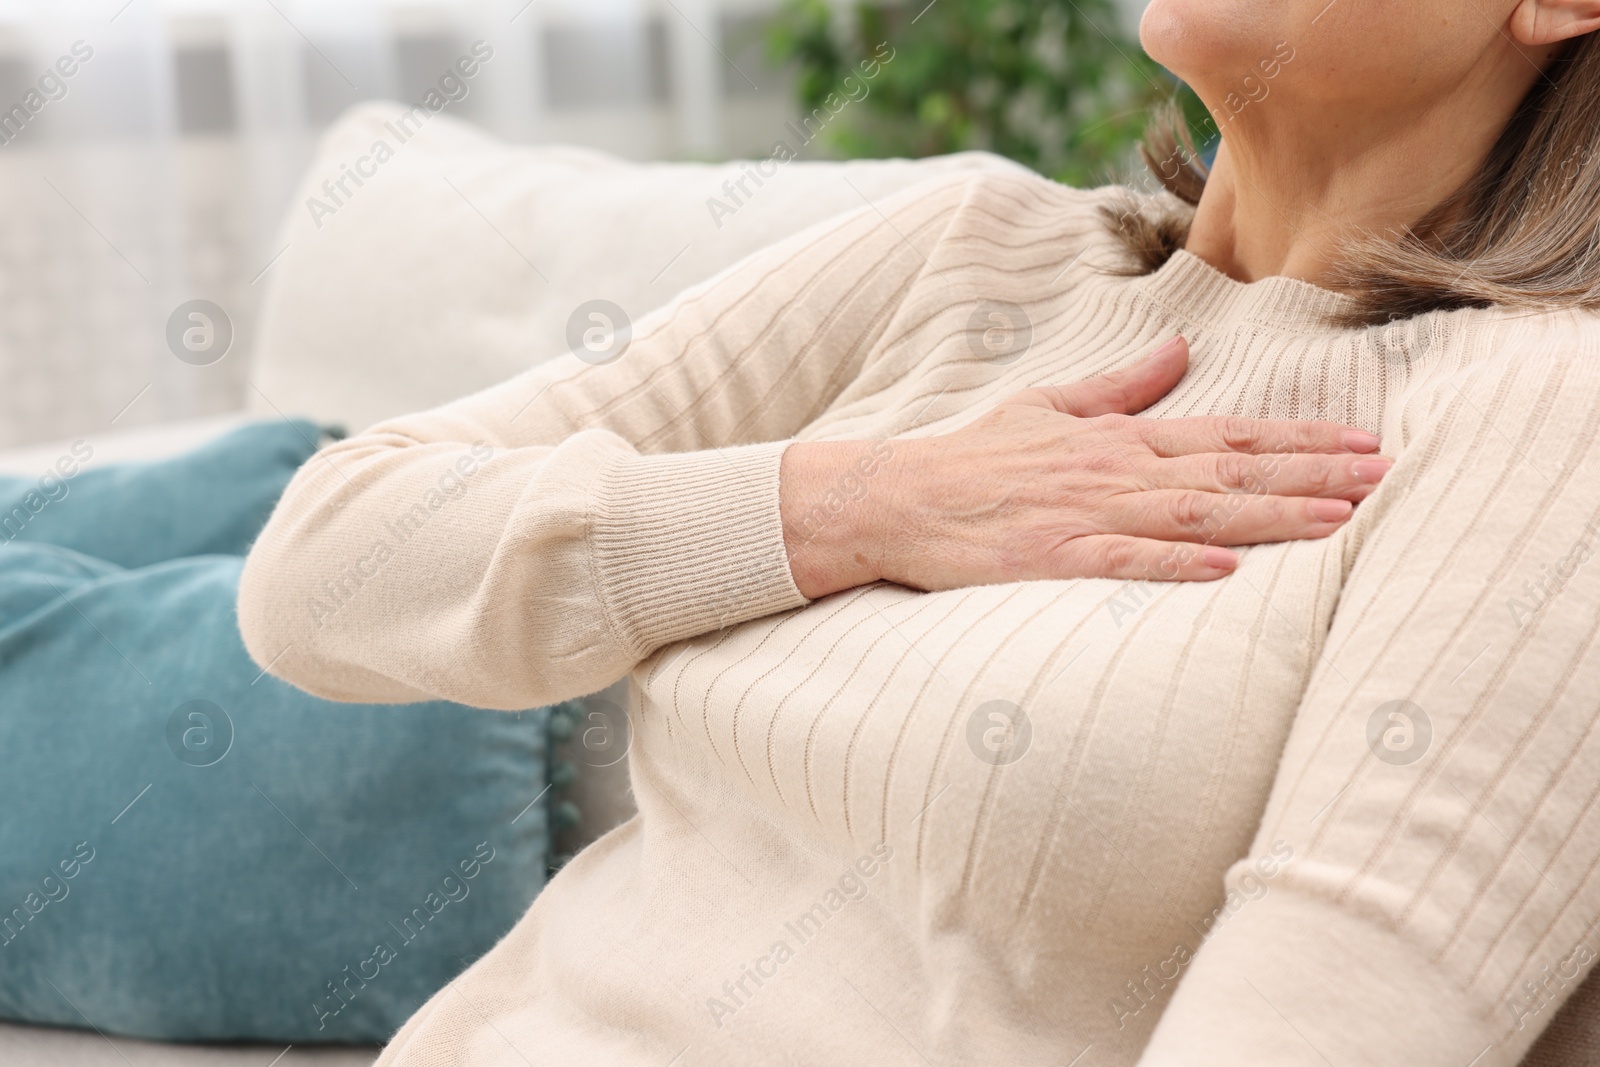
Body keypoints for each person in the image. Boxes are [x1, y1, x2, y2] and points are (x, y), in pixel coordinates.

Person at [238, 1, 1600, 1064]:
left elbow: (1333, 1009)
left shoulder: (1546, 412)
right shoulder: (969, 249)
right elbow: (319, 565)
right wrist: (854, 504)